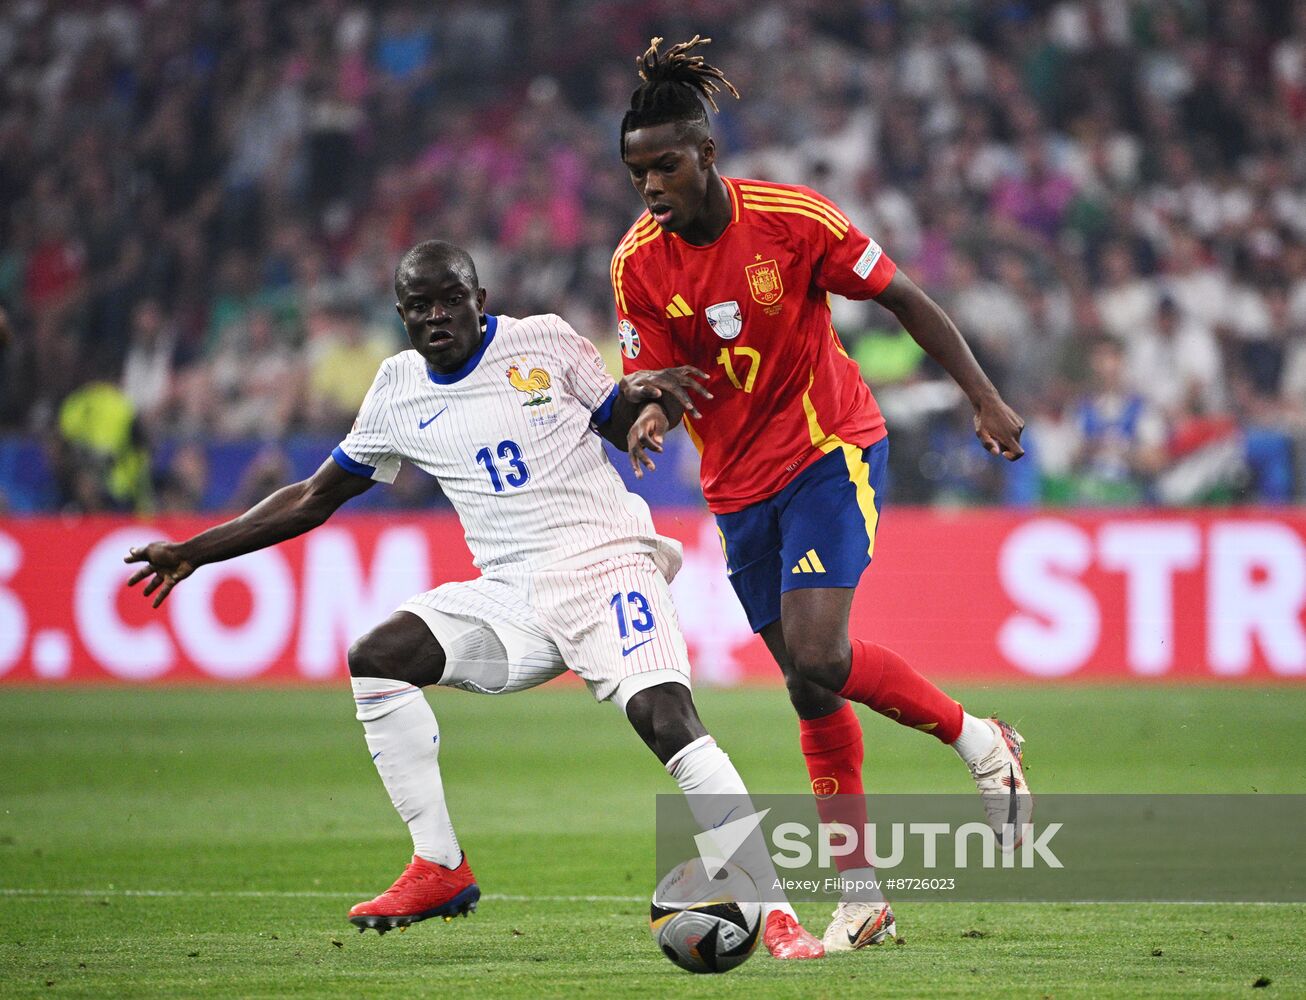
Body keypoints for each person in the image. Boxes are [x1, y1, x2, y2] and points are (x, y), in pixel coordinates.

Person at [124, 240, 824, 960]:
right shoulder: (397, 390)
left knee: (667, 719)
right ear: (400, 315)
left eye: (450, 300)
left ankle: (774, 913)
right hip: (511, 594)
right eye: (419, 307)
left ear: (479, 300)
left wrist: (648, 405)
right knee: (378, 657)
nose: (436, 317)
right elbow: (312, 498)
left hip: (608, 564)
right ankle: (440, 865)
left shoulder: (545, 342)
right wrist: (191, 552)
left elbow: (617, 419)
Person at [611, 37, 1032, 952]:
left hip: (827, 448)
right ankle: (863, 896)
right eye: (637, 170)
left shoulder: (792, 219)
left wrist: (985, 396)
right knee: (809, 687)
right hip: (734, 486)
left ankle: (980, 742)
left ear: (707, 155)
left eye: (666, 165)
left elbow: (905, 298)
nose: (650, 186)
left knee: (818, 652)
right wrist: (644, 416)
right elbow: (644, 379)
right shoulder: (636, 264)